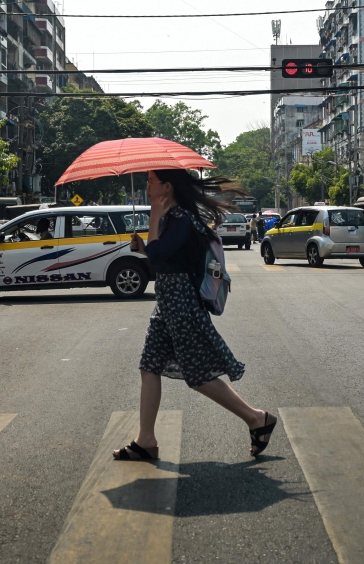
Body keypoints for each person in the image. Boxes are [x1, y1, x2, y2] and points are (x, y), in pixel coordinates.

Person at [116, 169, 275, 462]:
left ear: (166, 186)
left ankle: (256, 418)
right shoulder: (172, 219)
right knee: (149, 366)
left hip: (182, 304)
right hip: (166, 303)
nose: (147, 187)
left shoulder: (182, 220)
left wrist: (152, 224)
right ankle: (146, 440)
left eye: (150, 182)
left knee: (198, 375)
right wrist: (145, 244)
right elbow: (161, 263)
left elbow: (160, 256)